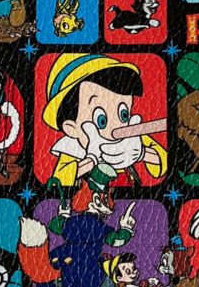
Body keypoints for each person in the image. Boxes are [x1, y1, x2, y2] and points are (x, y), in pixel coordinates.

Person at [41, 53, 166, 188]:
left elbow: (163, 160)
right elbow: (58, 181)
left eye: (124, 115)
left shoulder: (132, 136)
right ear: (71, 128)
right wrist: (92, 159)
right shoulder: (71, 148)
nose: (117, 127)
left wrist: (142, 153)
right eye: (102, 120)